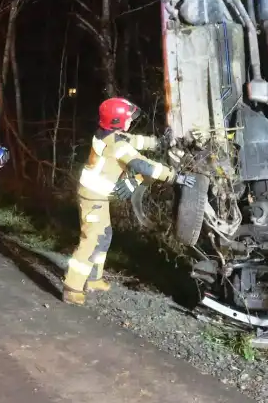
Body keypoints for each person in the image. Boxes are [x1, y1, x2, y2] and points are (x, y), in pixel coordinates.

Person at [63, 97, 194, 305]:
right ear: (116, 121)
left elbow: (133, 140)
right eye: (127, 118)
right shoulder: (117, 147)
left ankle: (93, 279)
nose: (130, 121)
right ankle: (72, 287)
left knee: (104, 235)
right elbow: (145, 166)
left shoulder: (108, 135)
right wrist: (175, 176)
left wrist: (158, 142)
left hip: (96, 195)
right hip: (93, 197)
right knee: (90, 241)